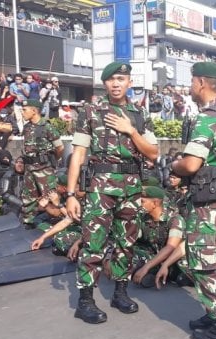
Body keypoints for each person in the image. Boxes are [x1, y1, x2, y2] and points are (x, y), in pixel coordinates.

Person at [66, 62, 159, 325]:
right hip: (100, 187)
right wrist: (71, 193)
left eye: (121, 78)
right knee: (93, 241)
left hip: (131, 187)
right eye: (111, 79)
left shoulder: (139, 114)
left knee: (126, 243)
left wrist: (130, 130)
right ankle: (85, 301)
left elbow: (153, 152)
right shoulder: (91, 112)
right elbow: (79, 153)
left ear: (130, 81)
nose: (116, 83)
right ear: (104, 84)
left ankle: (120, 292)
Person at [167, 61, 216, 339]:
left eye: (191, 82)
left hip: (212, 201)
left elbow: (191, 163)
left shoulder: (208, 118)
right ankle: (215, 316)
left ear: (201, 82)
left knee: (207, 258)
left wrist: (174, 165)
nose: (190, 87)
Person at [19, 99, 64, 228]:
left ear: (34, 111)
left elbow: (60, 147)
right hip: (29, 168)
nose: (23, 112)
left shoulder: (47, 126)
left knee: (50, 196)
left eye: (25, 110)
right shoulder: (27, 127)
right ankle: (29, 222)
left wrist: (53, 160)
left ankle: (57, 223)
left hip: (44, 168)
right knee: (28, 197)